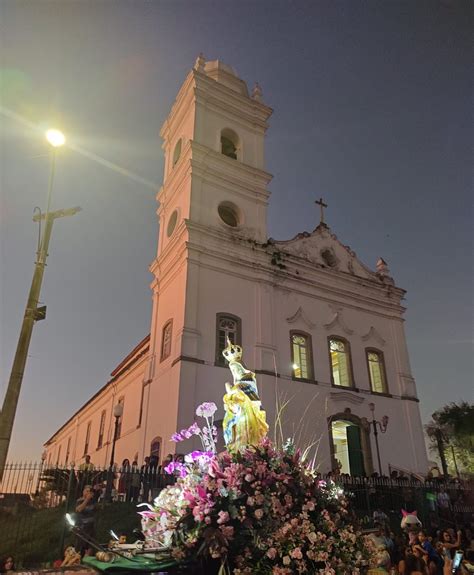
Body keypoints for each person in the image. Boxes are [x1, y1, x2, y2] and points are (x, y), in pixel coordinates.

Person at [75, 484, 97, 557]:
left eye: (89, 492)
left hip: (91, 527)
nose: (88, 493)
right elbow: (79, 509)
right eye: (86, 491)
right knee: (80, 546)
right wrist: (86, 499)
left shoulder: (93, 501)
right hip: (82, 527)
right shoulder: (80, 500)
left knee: (91, 546)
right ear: (83, 492)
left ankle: (86, 560)